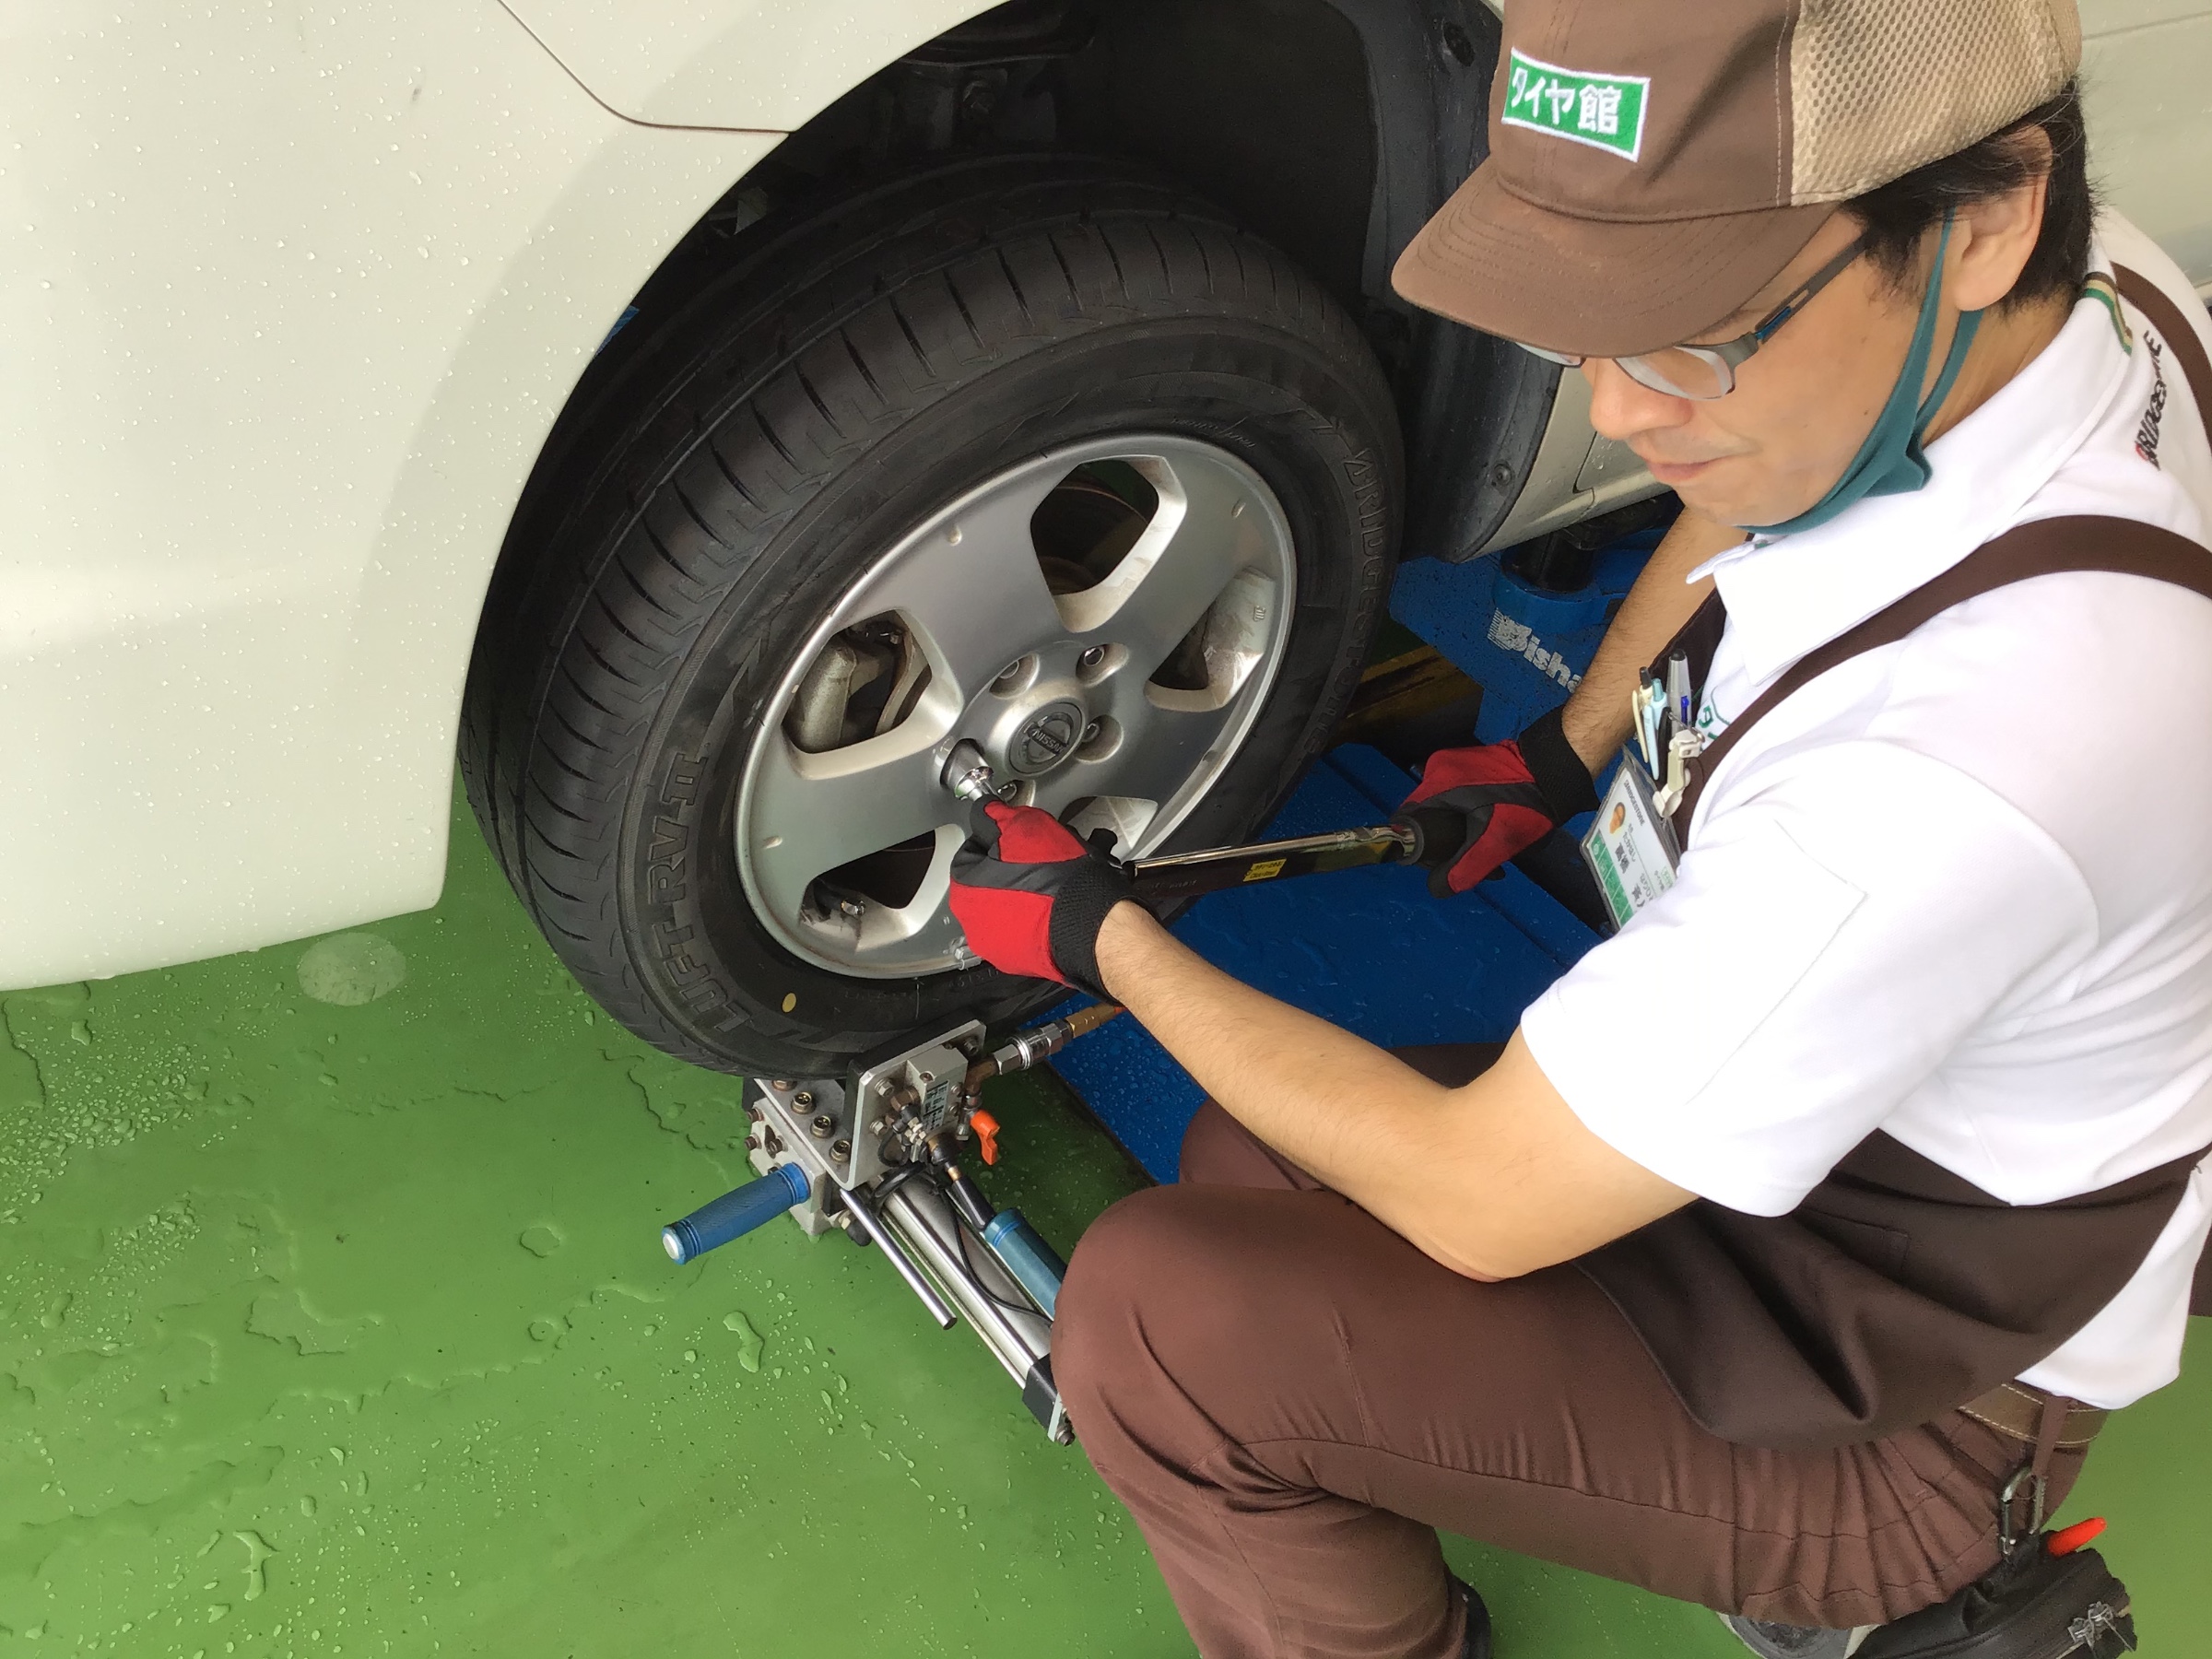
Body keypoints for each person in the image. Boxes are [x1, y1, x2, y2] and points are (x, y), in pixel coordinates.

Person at [946, 1, 2212, 1654]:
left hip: (1918, 1395)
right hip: (1855, 1145)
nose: (1617, 412)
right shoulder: (2083, 296)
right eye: (1594, 328)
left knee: (1156, 1328)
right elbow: (1760, 489)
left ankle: (1873, 1585)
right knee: (1254, 1169)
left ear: (1987, 216)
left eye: (1698, 335)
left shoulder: (1970, 760)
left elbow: (1478, 1199)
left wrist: (1101, 937)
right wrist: (1562, 745)